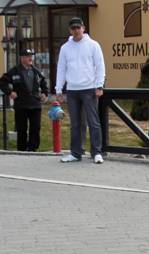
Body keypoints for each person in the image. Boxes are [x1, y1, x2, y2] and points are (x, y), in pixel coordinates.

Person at [54, 17, 106, 164]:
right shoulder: (65, 48)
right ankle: (76, 153)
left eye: (78, 28)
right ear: (70, 30)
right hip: (72, 90)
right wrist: (59, 89)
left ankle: (97, 152)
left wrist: (99, 85)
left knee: (93, 122)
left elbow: (100, 66)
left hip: (89, 88)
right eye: (73, 28)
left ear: (83, 28)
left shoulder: (93, 45)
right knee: (75, 123)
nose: (76, 31)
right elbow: (61, 69)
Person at [0, 49, 49, 152]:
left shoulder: (36, 71)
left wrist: (44, 93)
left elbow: (44, 83)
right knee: (22, 129)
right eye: (27, 56)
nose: (30, 58)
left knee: (35, 127)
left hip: (35, 104)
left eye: (31, 56)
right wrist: (10, 92)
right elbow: (2, 81)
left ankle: (33, 149)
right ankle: (22, 149)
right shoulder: (15, 71)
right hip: (21, 105)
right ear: (22, 58)